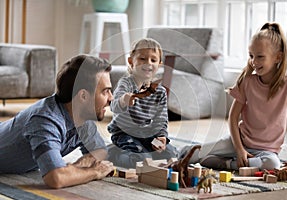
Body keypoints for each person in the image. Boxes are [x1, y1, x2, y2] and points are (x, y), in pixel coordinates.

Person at [185, 22, 287, 171]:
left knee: (272, 165)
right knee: (194, 153)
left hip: (267, 151)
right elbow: (233, 118)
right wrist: (239, 150)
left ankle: (227, 164)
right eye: (251, 56)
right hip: (237, 142)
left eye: (260, 57)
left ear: (278, 57)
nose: (254, 61)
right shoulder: (247, 82)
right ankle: (180, 154)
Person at [0, 55, 115, 188]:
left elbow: (99, 151)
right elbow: (55, 179)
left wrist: (76, 167)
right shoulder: (44, 120)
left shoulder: (82, 118)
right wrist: (94, 172)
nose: (111, 98)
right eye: (105, 91)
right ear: (83, 96)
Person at [107, 38, 178, 168]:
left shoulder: (160, 92)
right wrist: (123, 100)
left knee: (172, 154)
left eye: (153, 60)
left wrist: (161, 137)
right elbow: (114, 106)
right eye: (142, 59)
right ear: (131, 62)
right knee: (140, 160)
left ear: (159, 65)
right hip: (125, 133)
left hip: (148, 135)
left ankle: (143, 151)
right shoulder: (125, 84)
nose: (148, 63)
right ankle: (112, 153)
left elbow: (161, 119)